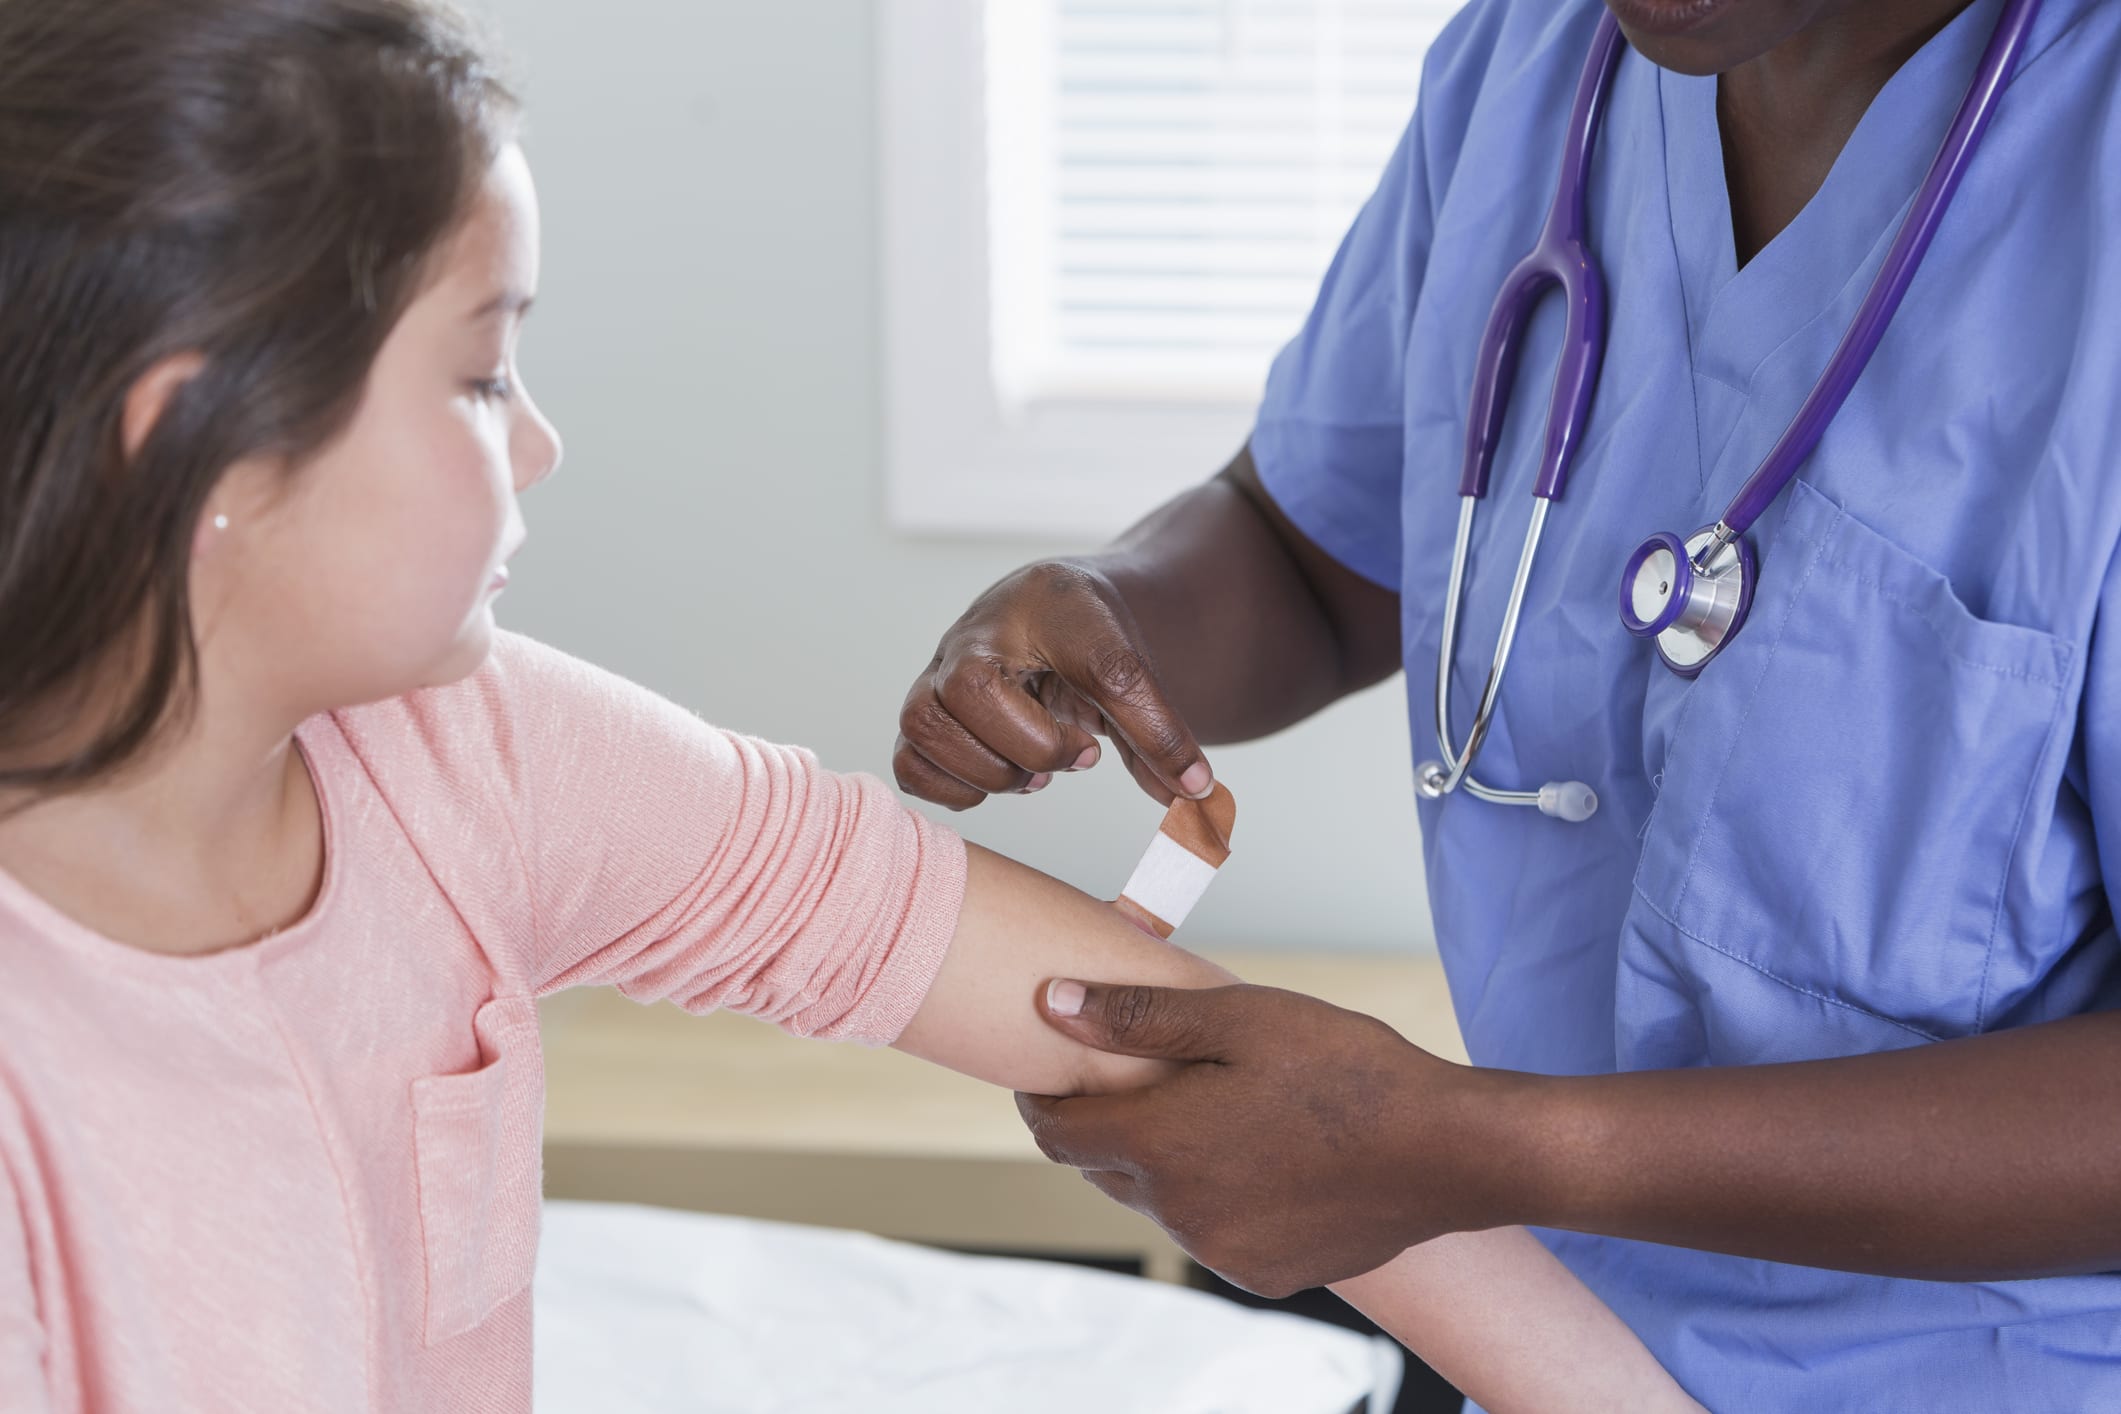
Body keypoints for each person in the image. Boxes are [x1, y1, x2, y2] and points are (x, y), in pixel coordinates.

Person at [0, 2, 1704, 1409]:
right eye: (478, 373)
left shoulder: (475, 757)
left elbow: (1024, 977)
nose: (539, 444)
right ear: (199, 445)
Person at [895, 0, 2121, 1407]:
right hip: (1536, 1336)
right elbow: (1309, 554)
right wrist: (1116, 619)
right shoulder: (1534, 64)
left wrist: (1496, 1148)